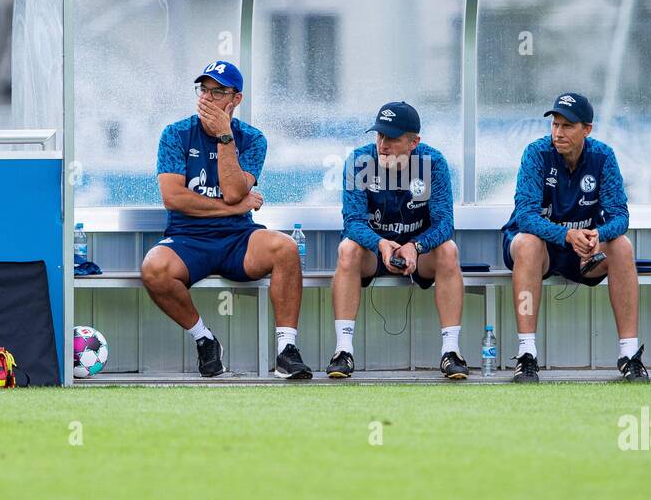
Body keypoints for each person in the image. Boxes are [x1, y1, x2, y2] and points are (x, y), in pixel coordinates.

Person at [139, 60, 313, 379]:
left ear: (236, 99)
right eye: (203, 89)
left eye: (217, 92)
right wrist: (233, 208)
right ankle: (205, 339)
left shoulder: (253, 139)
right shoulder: (176, 134)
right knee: (154, 268)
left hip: (238, 238)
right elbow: (174, 198)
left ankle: (286, 351)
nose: (207, 97)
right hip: (187, 238)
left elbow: (234, 191)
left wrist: (224, 137)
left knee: (286, 248)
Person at [500, 92, 647, 383]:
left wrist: (597, 235)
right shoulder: (536, 153)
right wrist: (567, 235)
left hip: (581, 252)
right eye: (554, 124)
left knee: (622, 246)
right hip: (537, 249)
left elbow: (620, 217)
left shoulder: (602, 156)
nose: (558, 132)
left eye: (567, 126)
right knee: (528, 243)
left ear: (586, 129)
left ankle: (629, 356)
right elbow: (526, 217)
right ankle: (527, 355)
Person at [328, 102, 468, 379]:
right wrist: (380, 243)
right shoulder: (359, 162)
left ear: (414, 142)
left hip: (418, 254)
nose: (383, 144)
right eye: (379, 135)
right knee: (347, 249)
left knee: (449, 251)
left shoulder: (432, 163)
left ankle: (451, 352)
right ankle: (343, 351)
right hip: (373, 251)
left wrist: (416, 246)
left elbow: (444, 224)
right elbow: (353, 222)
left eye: (392, 138)